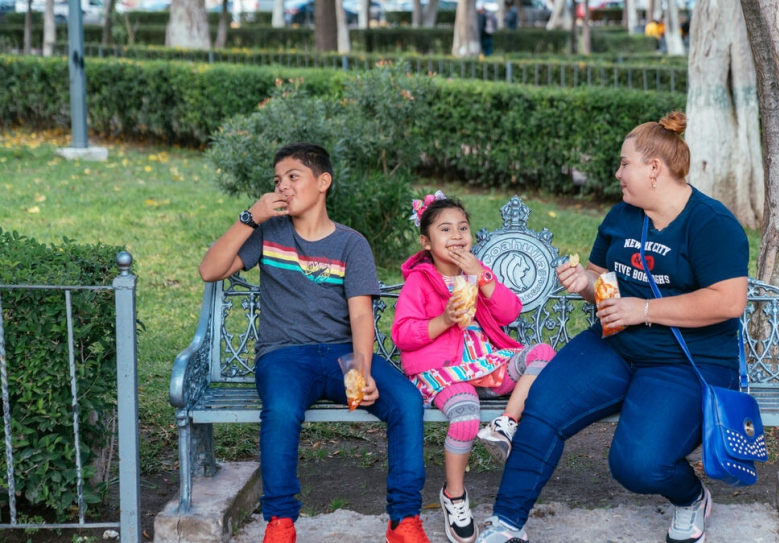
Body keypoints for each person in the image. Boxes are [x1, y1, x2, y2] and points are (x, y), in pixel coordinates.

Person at [477, 111, 750, 543]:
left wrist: (642, 310)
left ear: (654, 169)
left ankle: (691, 498)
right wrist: (586, 283)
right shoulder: (623, 216)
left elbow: (728, 301)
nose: (618, 172)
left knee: (639, 464)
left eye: (625, 163)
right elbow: (603, 282)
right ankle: (507, 524)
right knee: (542, 405)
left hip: (687, 360)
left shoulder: (711, 223)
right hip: (618, 345)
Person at [198, 143, 430, 543]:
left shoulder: (350, 244)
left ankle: (403, 520)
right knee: (282, 410)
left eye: (293, 177)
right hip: (285, 357)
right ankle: (281, 522)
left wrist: (363, 368)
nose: (283, 186)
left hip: (342, 356)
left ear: (323, 182)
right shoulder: (268, 234)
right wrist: (251, 217)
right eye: (277, 180)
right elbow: (210, 269)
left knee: (407, 403)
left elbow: (360, 314)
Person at [392, 192, 555, 543]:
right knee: (465, 414)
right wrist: (443, 320)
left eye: (462, 228)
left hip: (485, 363)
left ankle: (505, 424)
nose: (456, 236)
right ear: (426, 241)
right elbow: (403, 334)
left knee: (542, 353)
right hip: (444, 369)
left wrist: (482, 276)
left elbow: (510, 313)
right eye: (445, 229)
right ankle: (454, 496)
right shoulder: (420, 281)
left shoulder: (477, 272)